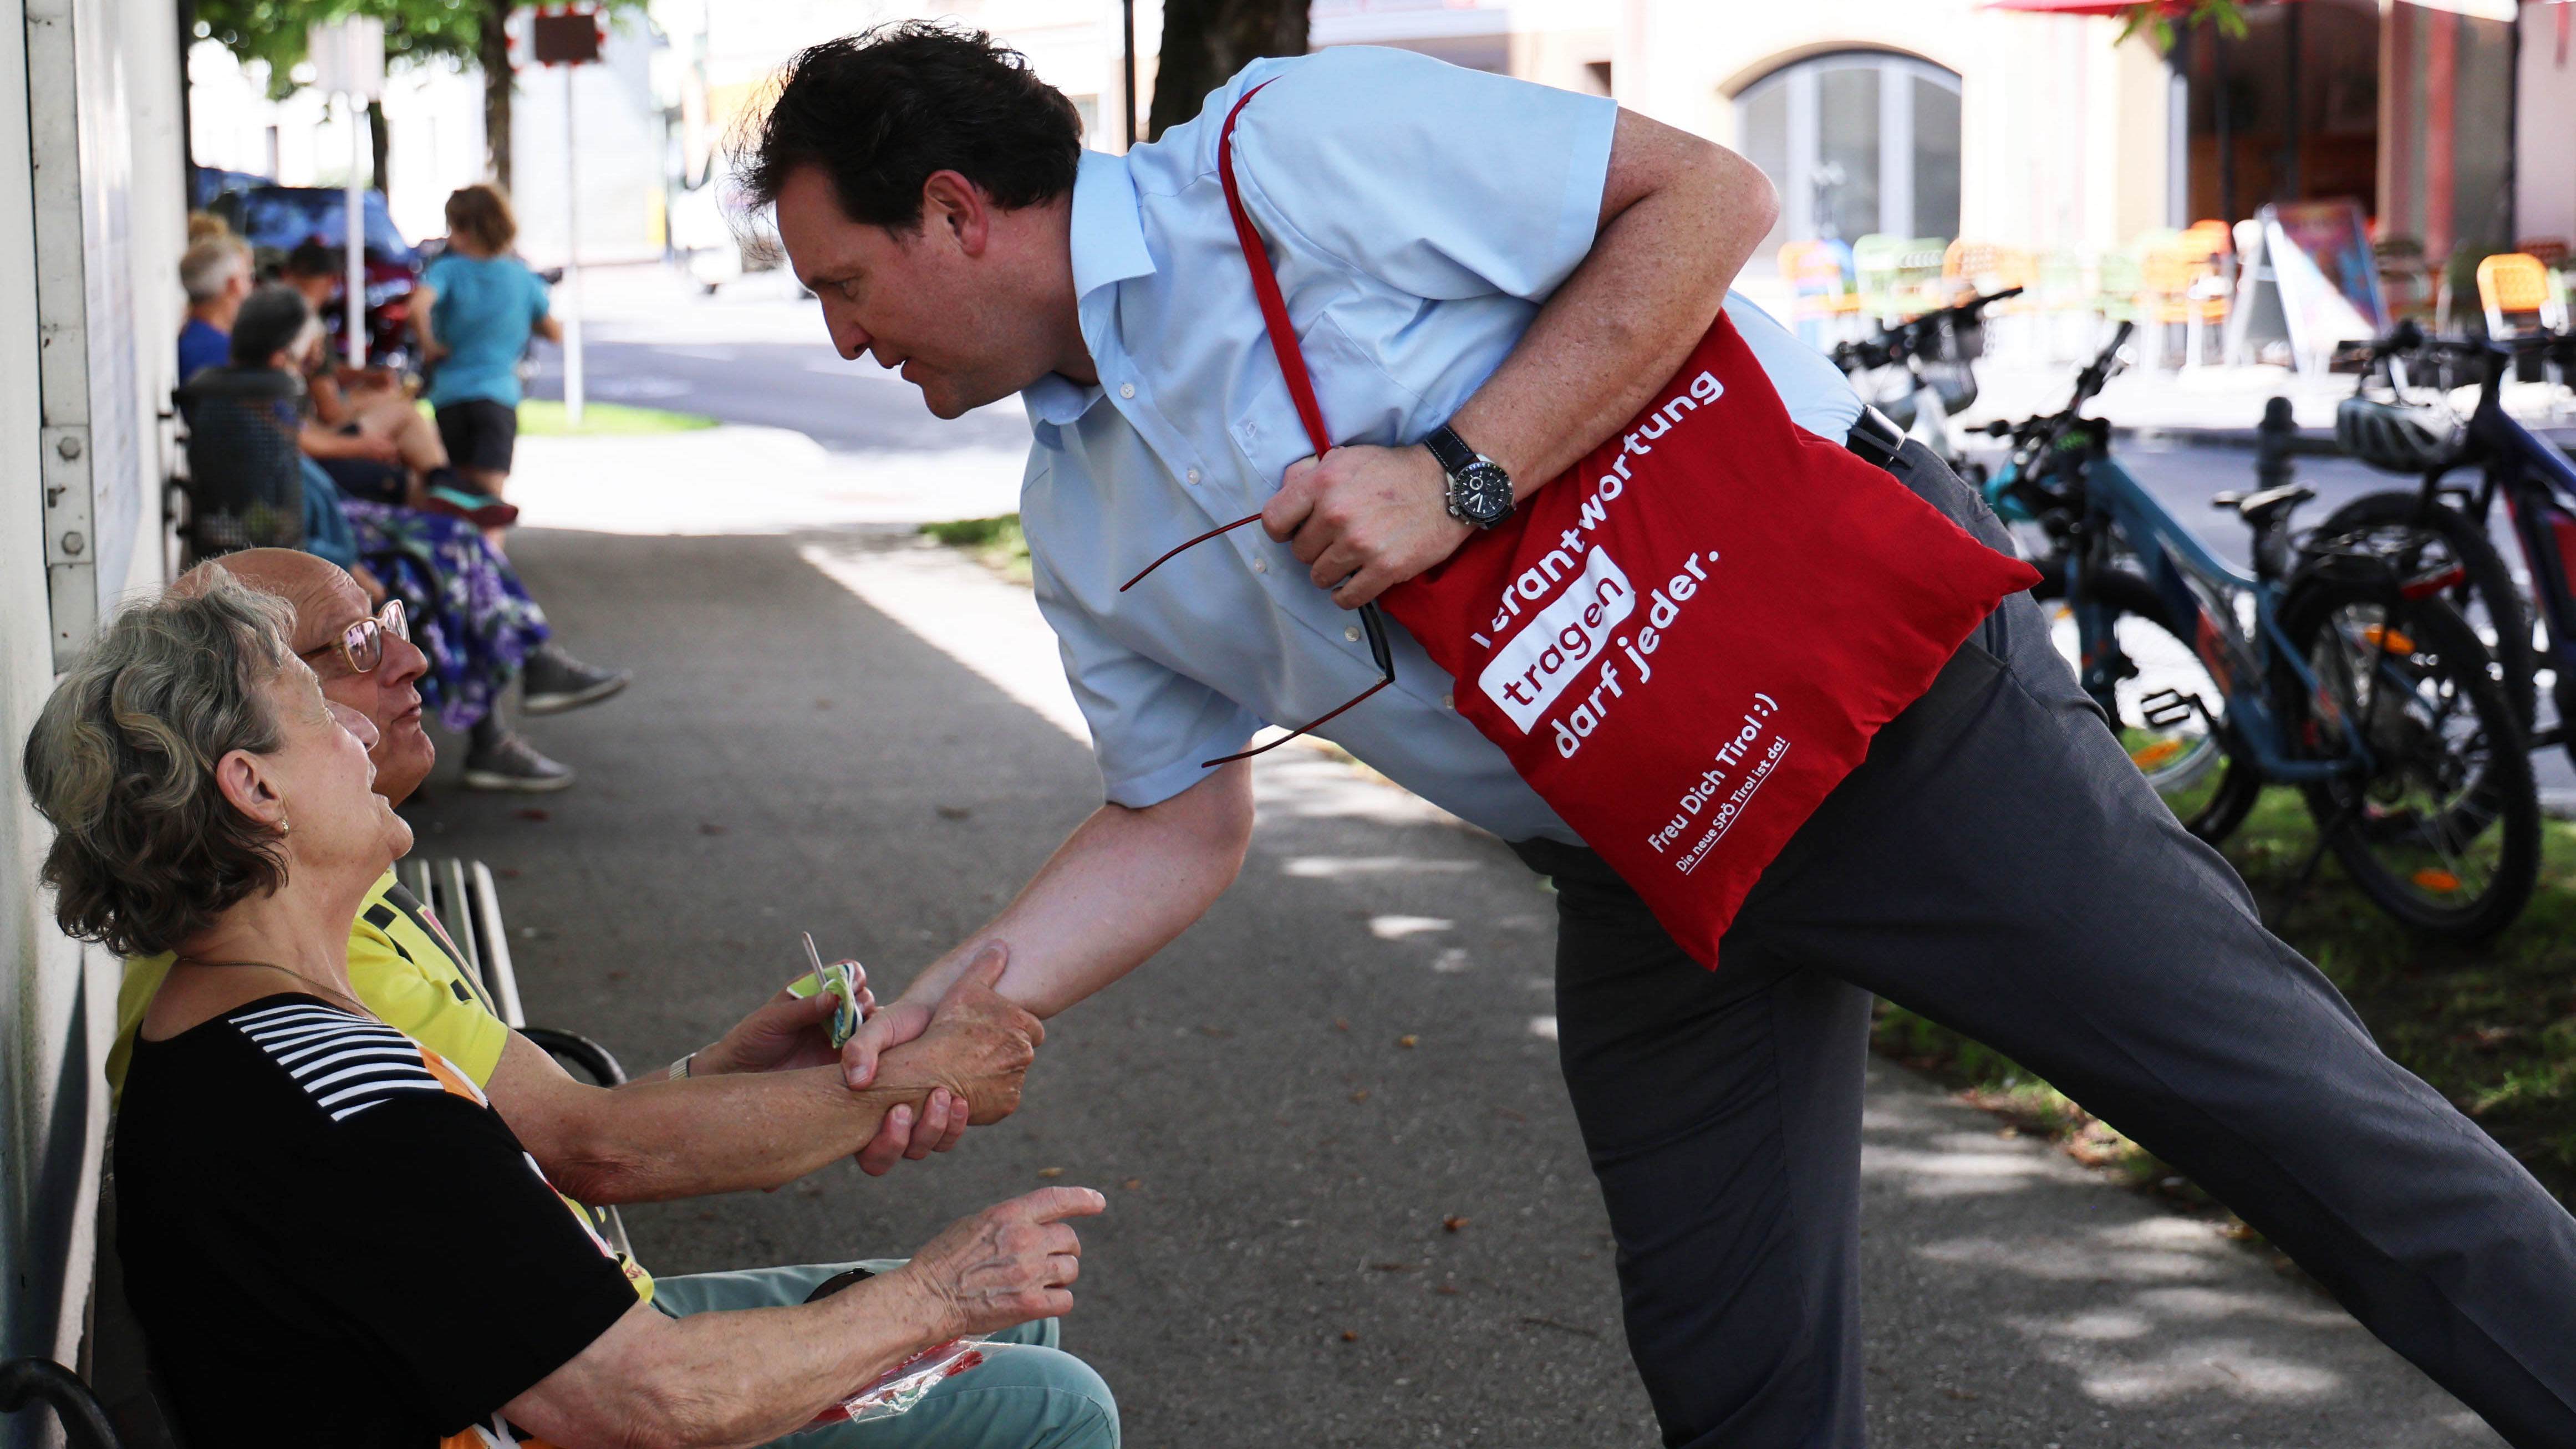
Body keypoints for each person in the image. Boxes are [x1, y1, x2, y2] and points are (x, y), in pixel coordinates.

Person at [748, 27, 2576, 1449]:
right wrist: (958, 998)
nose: (842, 339)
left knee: (2310, 1141)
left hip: (1876, 721)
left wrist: (1455, 475)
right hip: (1640, 853)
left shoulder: (1276, 156)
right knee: (1728, 1353)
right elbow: (1173, 821)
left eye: (843, 282)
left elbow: (1701, 196)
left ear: (957, 211)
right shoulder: (1078, 519)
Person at [32, 570, 1119, 1449]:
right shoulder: (340, 1099)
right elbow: (651, 1402)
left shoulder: (241, 1041)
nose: (363, 737)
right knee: (1059, 1403)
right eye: (322, 713)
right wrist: (937, 1290)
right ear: (254, 789)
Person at [226, 285, 629, 789]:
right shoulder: (260, 400)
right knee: (447, 571)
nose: (313, 354)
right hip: (335, 545)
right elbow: (289, 510)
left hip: (338, 532)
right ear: (283, 347)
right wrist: (347, 567)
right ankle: (512, 698)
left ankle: (519, 685)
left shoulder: (247, 391)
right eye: (306, 345)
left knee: (455, 551)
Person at [414, 184, 558, 532]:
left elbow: (416, 308)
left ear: (464, 231)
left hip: (450, 396)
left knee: (457, 500)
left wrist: (430, 345)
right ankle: (489, 580)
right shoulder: (522, 278)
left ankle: (461, 577)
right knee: (490, 509)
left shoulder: (447, 271)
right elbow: (554, 332)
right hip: (497, 397)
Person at [278, 238, 460, 510]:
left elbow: (303, 424)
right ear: (331, 280)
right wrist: (361, 446)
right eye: (307, 359)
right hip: (310, 474)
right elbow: (324, 415)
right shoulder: (298, 324)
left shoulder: (282, 331)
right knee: (407, 444)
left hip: (308, 460)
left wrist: (365, 378)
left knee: (397, 408)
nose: (312, 362)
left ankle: (446, 485)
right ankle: (447, 486)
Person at [177, 229, 252, 385]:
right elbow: (278, 408)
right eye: (248, 277)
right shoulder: (227, 353)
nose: (251, 288)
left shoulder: (190, 339)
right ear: (235, 284)